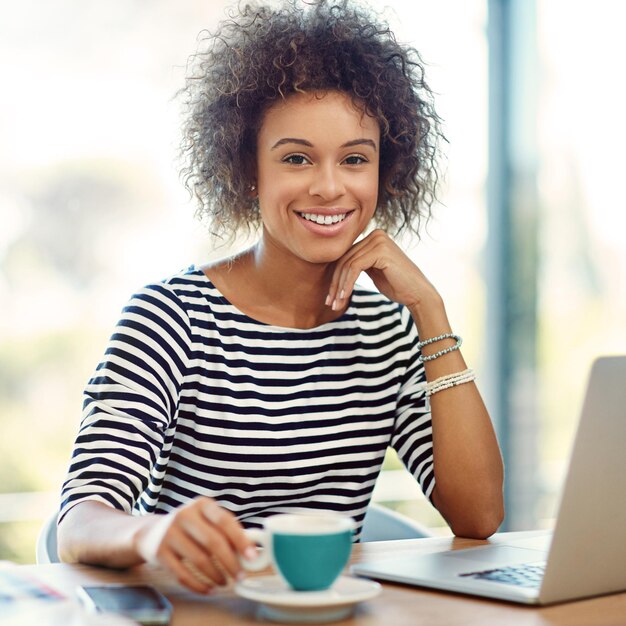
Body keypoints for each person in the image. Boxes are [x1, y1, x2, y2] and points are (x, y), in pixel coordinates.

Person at [57, 0, 504, 594]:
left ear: (384, 171)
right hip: (201, 612)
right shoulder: (170, 317)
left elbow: (479, 516)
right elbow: (80, 520)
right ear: (249, 169)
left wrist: (430, 312)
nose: (328, 186)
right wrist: (150, 534)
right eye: (296, 158)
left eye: (354, 160)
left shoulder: (388, 332)